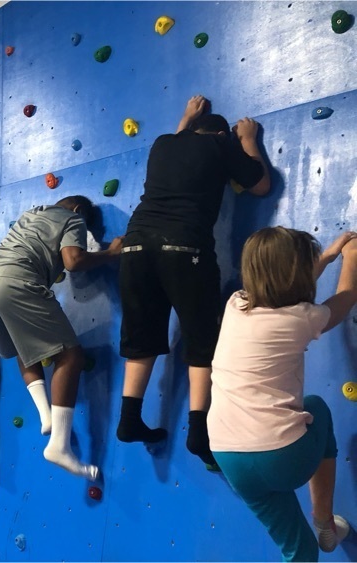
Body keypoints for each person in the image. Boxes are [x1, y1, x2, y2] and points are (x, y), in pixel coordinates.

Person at [116, 95, 271, 468]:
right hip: (184, 247)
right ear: (220, 133)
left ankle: (129, 419)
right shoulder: (221, 143)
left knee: (142, 336)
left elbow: (182, 135)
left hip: (135, 245)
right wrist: (247, 140)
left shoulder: (163, 143)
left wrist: (185, 115)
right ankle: (200, 434)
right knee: (202, 341)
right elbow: (260, 185)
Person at [209, 227, 357, 561]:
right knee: (316, 407)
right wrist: (351, 257)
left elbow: (282, 285)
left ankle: (319, 540)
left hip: (227, 454)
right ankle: (323, 519)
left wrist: (329, 255)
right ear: (300, 276)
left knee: (298, 551)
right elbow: (346, 296)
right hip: (283, 455)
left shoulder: (237, 304)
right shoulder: (303, 318)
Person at [0, 195, 122, 480]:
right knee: (71, 356)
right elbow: (74, 260)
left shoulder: (30, 214)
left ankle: (45, 415)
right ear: (79, 211)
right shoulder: (73, 218)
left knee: (23, 345)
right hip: (18, 281)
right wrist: (111, 253)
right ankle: (60, 446)